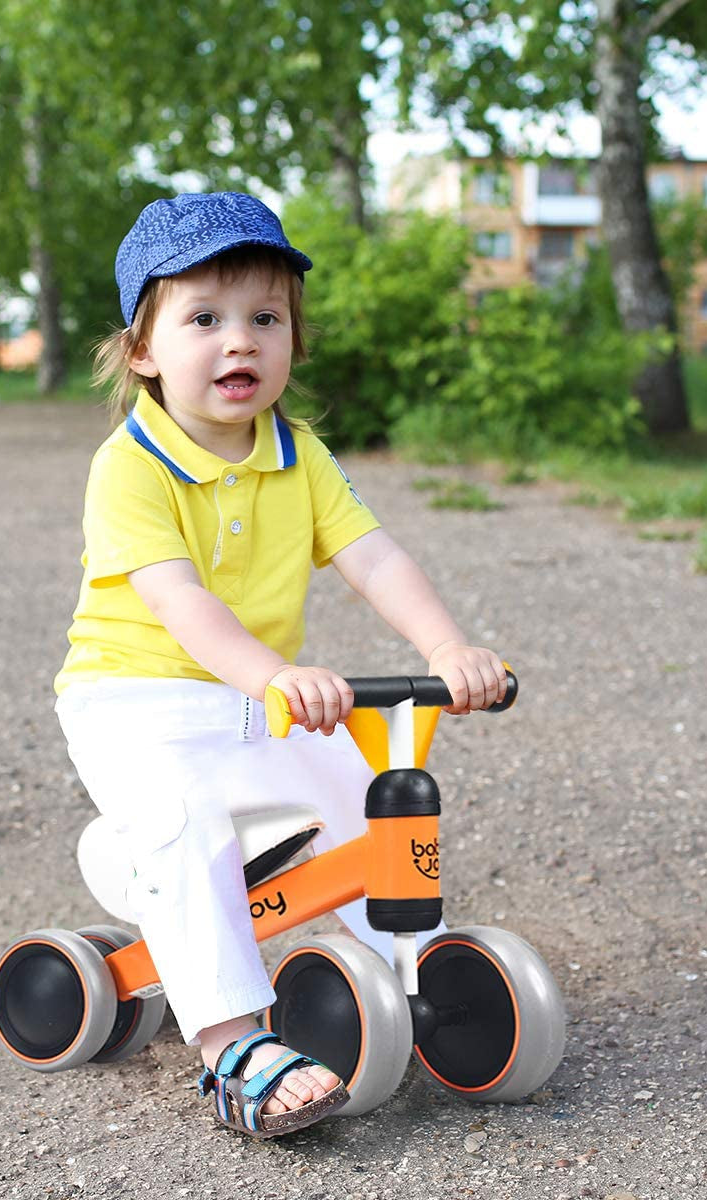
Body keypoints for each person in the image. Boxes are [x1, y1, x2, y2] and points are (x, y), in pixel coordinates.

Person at [54, 191, 509, 1138]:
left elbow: (373, 556)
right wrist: (268, 675)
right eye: (205, 319)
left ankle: (414, 972)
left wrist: (447, 647)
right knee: (183, 822)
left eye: (266, 318)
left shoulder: (302, 456)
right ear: (143, 348)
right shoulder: (129, 465)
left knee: (364, 785)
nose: (240, 343)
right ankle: (230, 1044)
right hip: (135, 701)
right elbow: (181, 602)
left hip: (250, 695)